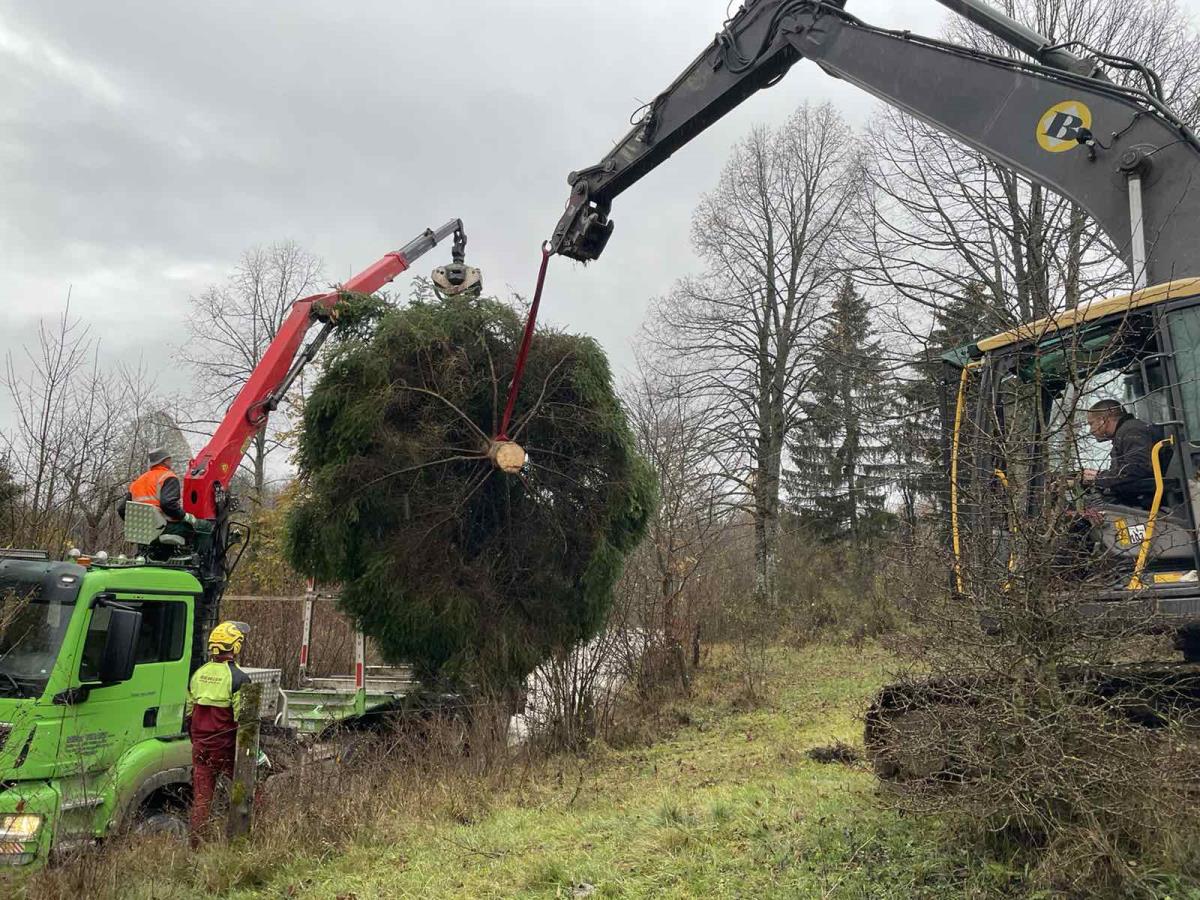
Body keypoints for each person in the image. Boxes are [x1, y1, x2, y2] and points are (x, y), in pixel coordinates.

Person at [186, 621, 251, 846]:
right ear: (236, 646)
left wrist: (197, 742)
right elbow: (246, 723)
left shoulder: (197, 674)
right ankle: (247, 838)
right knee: (248, 791)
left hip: (200, 748)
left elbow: (188, 714)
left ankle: (196, 847)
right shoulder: (239, 679)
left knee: (202, 801)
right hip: (226, 749)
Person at [1080, 399, 1158, 507]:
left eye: (1091, 424)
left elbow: (1137, 469)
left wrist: (1098, 477)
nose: (1090, 431)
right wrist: (1098, 477)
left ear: (1103, 420)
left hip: (1144, 500)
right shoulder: (1125, 432)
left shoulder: (1132, 430)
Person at [117, 447, 199, 532]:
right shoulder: (168, 477)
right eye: (169, 459)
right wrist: (185, 516)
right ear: (164, 461)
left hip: (142, 530)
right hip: (164, 527)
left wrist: (135, 525)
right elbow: (168, 504)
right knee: (202, 527)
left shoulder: (138, 481)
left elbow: (122, 509)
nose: (171, 461)